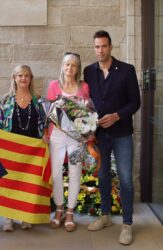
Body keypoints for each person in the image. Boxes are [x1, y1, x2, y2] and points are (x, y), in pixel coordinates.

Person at [84, 30, 141, 245]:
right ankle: (105, 216)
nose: (100, 50)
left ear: (111, 47)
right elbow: (85, 100)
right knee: (103, 176)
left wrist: (117, 115)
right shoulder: (89, 72)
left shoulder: (126, 70)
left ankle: (127, 224)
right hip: (99, 135)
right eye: (97, 47)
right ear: (94, 48)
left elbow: (135, 102)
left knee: (125, 178)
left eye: (104, 46)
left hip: (122, 133)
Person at [0, 64, 47, 232]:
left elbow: (45, 122)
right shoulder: (6, 100)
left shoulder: (38, 100)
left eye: (27, 75)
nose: (23, 78)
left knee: (28, 184)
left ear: (31, 79)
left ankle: (25, 216)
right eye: (20, 76)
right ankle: (8, 217)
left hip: (32, 150)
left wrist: (45, 134)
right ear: (14, 78)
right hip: (12, 149)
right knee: (10, 183)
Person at [46, 53, 90, 232]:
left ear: (78, 68)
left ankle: (70, 213)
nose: (69, 68)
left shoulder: (84, 86)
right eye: (66, 65)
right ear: (62, 66)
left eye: (73, 65)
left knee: (75, 173)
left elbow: (87, 112)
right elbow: (49, 111)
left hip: (76, 137)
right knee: (56, 175)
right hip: (57, 135)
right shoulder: (54, 85)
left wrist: (87, 131)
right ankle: (59, 210)